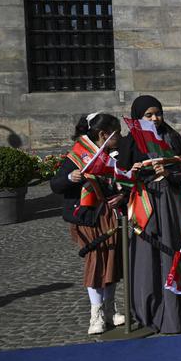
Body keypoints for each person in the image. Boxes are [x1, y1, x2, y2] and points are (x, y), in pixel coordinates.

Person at [116, 96, 181, 334]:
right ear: (138, 117)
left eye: (158, 113)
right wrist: (134, 172)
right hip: (144, 201)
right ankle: (147, 309)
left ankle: (177, 311)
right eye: (148, 115)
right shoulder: (130, 141)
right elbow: (121, 177)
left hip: (170, 200)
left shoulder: (171, 136)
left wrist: (168, 172)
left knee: (173, 249)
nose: (155, 118)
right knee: (146, 255)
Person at [51, 113, 125, 335]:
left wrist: (122, 194)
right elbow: (56, 185)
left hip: (108, 215)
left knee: (112, 263)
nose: (120, 137)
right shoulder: (77, 156)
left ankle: (110, 309)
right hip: (87, 216)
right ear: (103, 135)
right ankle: (96, 314)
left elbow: (122, 182)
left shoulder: (112, 155)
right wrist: (70, 178)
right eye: (116, 134)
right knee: (95, 263)